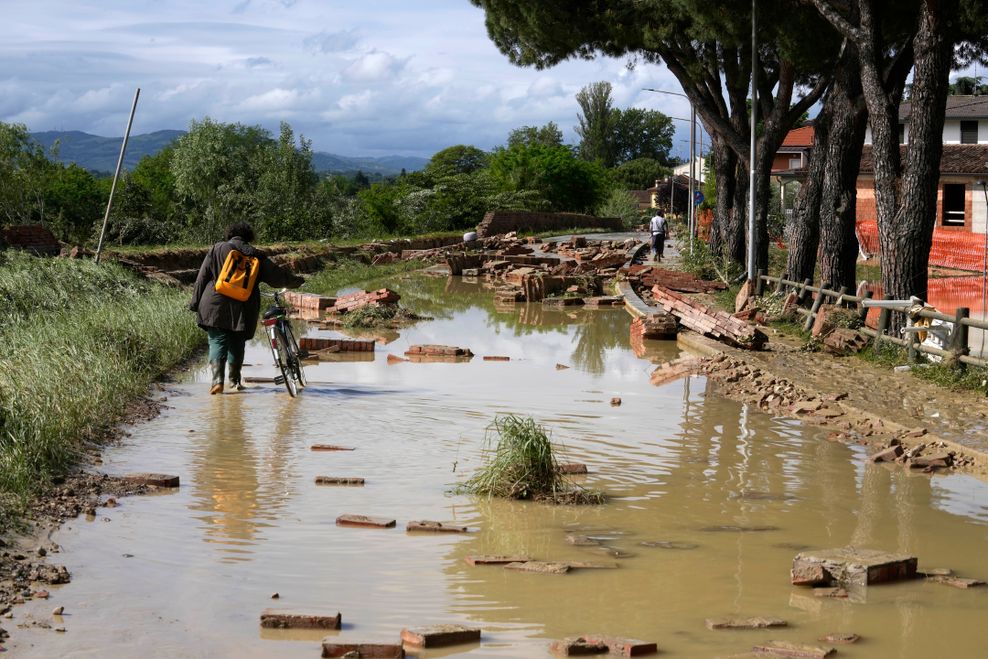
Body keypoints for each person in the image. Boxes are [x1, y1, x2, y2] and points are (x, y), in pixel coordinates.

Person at [189, 222, 304, 395]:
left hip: (214, 303)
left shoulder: (217, 248)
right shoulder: (257, 255)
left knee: (217, 341)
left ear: (230, 234)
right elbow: (277, 278)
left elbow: (202, 277)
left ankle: (217, 382)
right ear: (249, 237)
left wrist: (195, 303)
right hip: (243, 307)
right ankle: (235, 382)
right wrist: (297, 281)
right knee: (237, 343)